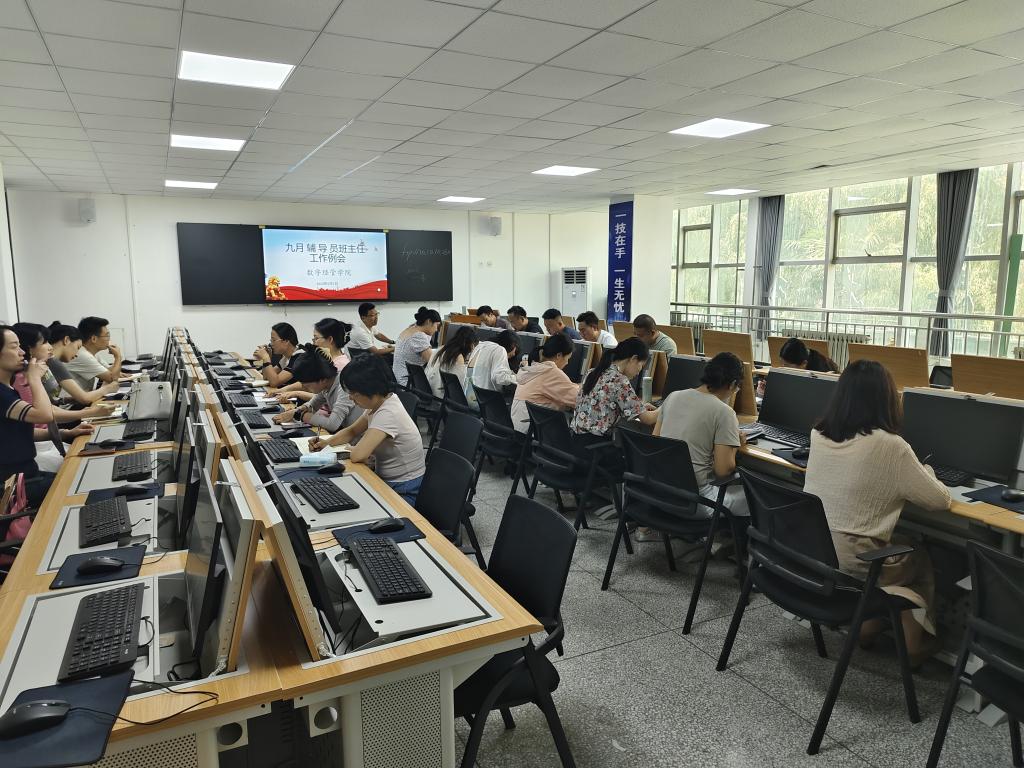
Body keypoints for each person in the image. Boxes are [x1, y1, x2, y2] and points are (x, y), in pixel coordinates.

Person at [803, 360, 949, 663]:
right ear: (887, 399)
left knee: (893, 546)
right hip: (854, 561)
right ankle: (913, 646)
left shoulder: (819, 433)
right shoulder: (892, 446)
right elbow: (939, 501)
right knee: (918, 555)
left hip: (814, 550)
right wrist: (928, 472)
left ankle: (867, 628)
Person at [652, 352, 748, 541]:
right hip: (696, 502)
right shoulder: (724, 412)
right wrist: (735, 445)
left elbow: (655, 442)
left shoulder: (673, 397)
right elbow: (723, 471)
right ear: (732, 385)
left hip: (661, 494)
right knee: (756, 497)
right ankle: (735, 550)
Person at [310, 356, 425, 504]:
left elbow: (358, 455)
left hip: (404, 488)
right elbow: (352, 431)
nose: (350, 398)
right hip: (387, 479)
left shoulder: (388, 413)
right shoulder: (379, 403)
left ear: (371, 389)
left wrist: (354, 449)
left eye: (354, 393)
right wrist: (326, 443)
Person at [12, 323, 112, 425]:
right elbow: (45, 414)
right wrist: (89, 412)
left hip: (54, 422)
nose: (50, 347)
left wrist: (65, 401)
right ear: (28, 348)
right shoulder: (24, 377)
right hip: (52, 423)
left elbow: (49, 404)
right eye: (45, 342)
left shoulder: (39, 367)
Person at [0, 325, 56, 503]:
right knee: (73, 484)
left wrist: (64, 433)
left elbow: (16, 433)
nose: (22, 352)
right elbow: (44, 415)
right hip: (14, 484)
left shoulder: (7, 389)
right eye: (14, 347)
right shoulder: (2, 394)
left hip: (26, 474)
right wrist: (34, 378)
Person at [571, 337, 659, 445]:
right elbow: (648, 419)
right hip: (595, 446)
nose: (638, 372)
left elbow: (605, 404)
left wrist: (640, 407)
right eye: (641, 365)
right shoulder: (619, 380)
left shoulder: (592, 372)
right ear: (634, 358)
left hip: (576, 441)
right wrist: (667, 405)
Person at [272, 346, 362, 432]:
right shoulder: (327, 383)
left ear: (322, 380)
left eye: (307, 385)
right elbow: (313, 404)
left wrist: (301, 415)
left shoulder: (344, 387)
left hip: (358, 439)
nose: (304, 388)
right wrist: (297, 411)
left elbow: (332, 424)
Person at [511, 333, 579, 433]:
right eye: (567, 358)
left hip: (520, 430)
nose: (567, 363)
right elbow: (578, 400)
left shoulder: (533, 368)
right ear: (559, 355)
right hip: (536, 433)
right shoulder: (551, 372)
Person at [47, 322, 119, 404]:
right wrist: (108, 388)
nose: (77, 354)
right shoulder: (53, 363)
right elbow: (85, 398)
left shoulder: (53, 362)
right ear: (66, 340)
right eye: (78, 347)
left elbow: (51, 401)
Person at [65, 316, 123, 391]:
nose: (109, 339)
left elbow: (109, 370)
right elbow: (112, 378)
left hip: (86, 395)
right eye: (107, 335)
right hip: (72, 398)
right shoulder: (83, 355)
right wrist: (118, 357)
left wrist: (117, 371)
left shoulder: (91, 353)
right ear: (94, 339)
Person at [393, 307, 441, 387]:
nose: (436, 329)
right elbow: (432, 362)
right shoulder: (418, 336)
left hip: (400, 379)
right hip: (408, 383)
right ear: (429, 321)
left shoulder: (411, 329)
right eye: (437, 325)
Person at [426, 325, 478, 399]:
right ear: (469, 343)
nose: (472, 348)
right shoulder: (458, 357)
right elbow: (459, 386)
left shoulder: (441, 348)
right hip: (441, 397)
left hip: (431, 391)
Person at [253, 322, 304, 389]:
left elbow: (274, 382)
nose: (271, 344)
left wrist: (266, 358)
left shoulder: (299, 357)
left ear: (286, 341)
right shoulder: (286, 357)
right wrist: (268, 357)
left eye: (274, 340)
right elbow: (266, 377)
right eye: (271, 340)